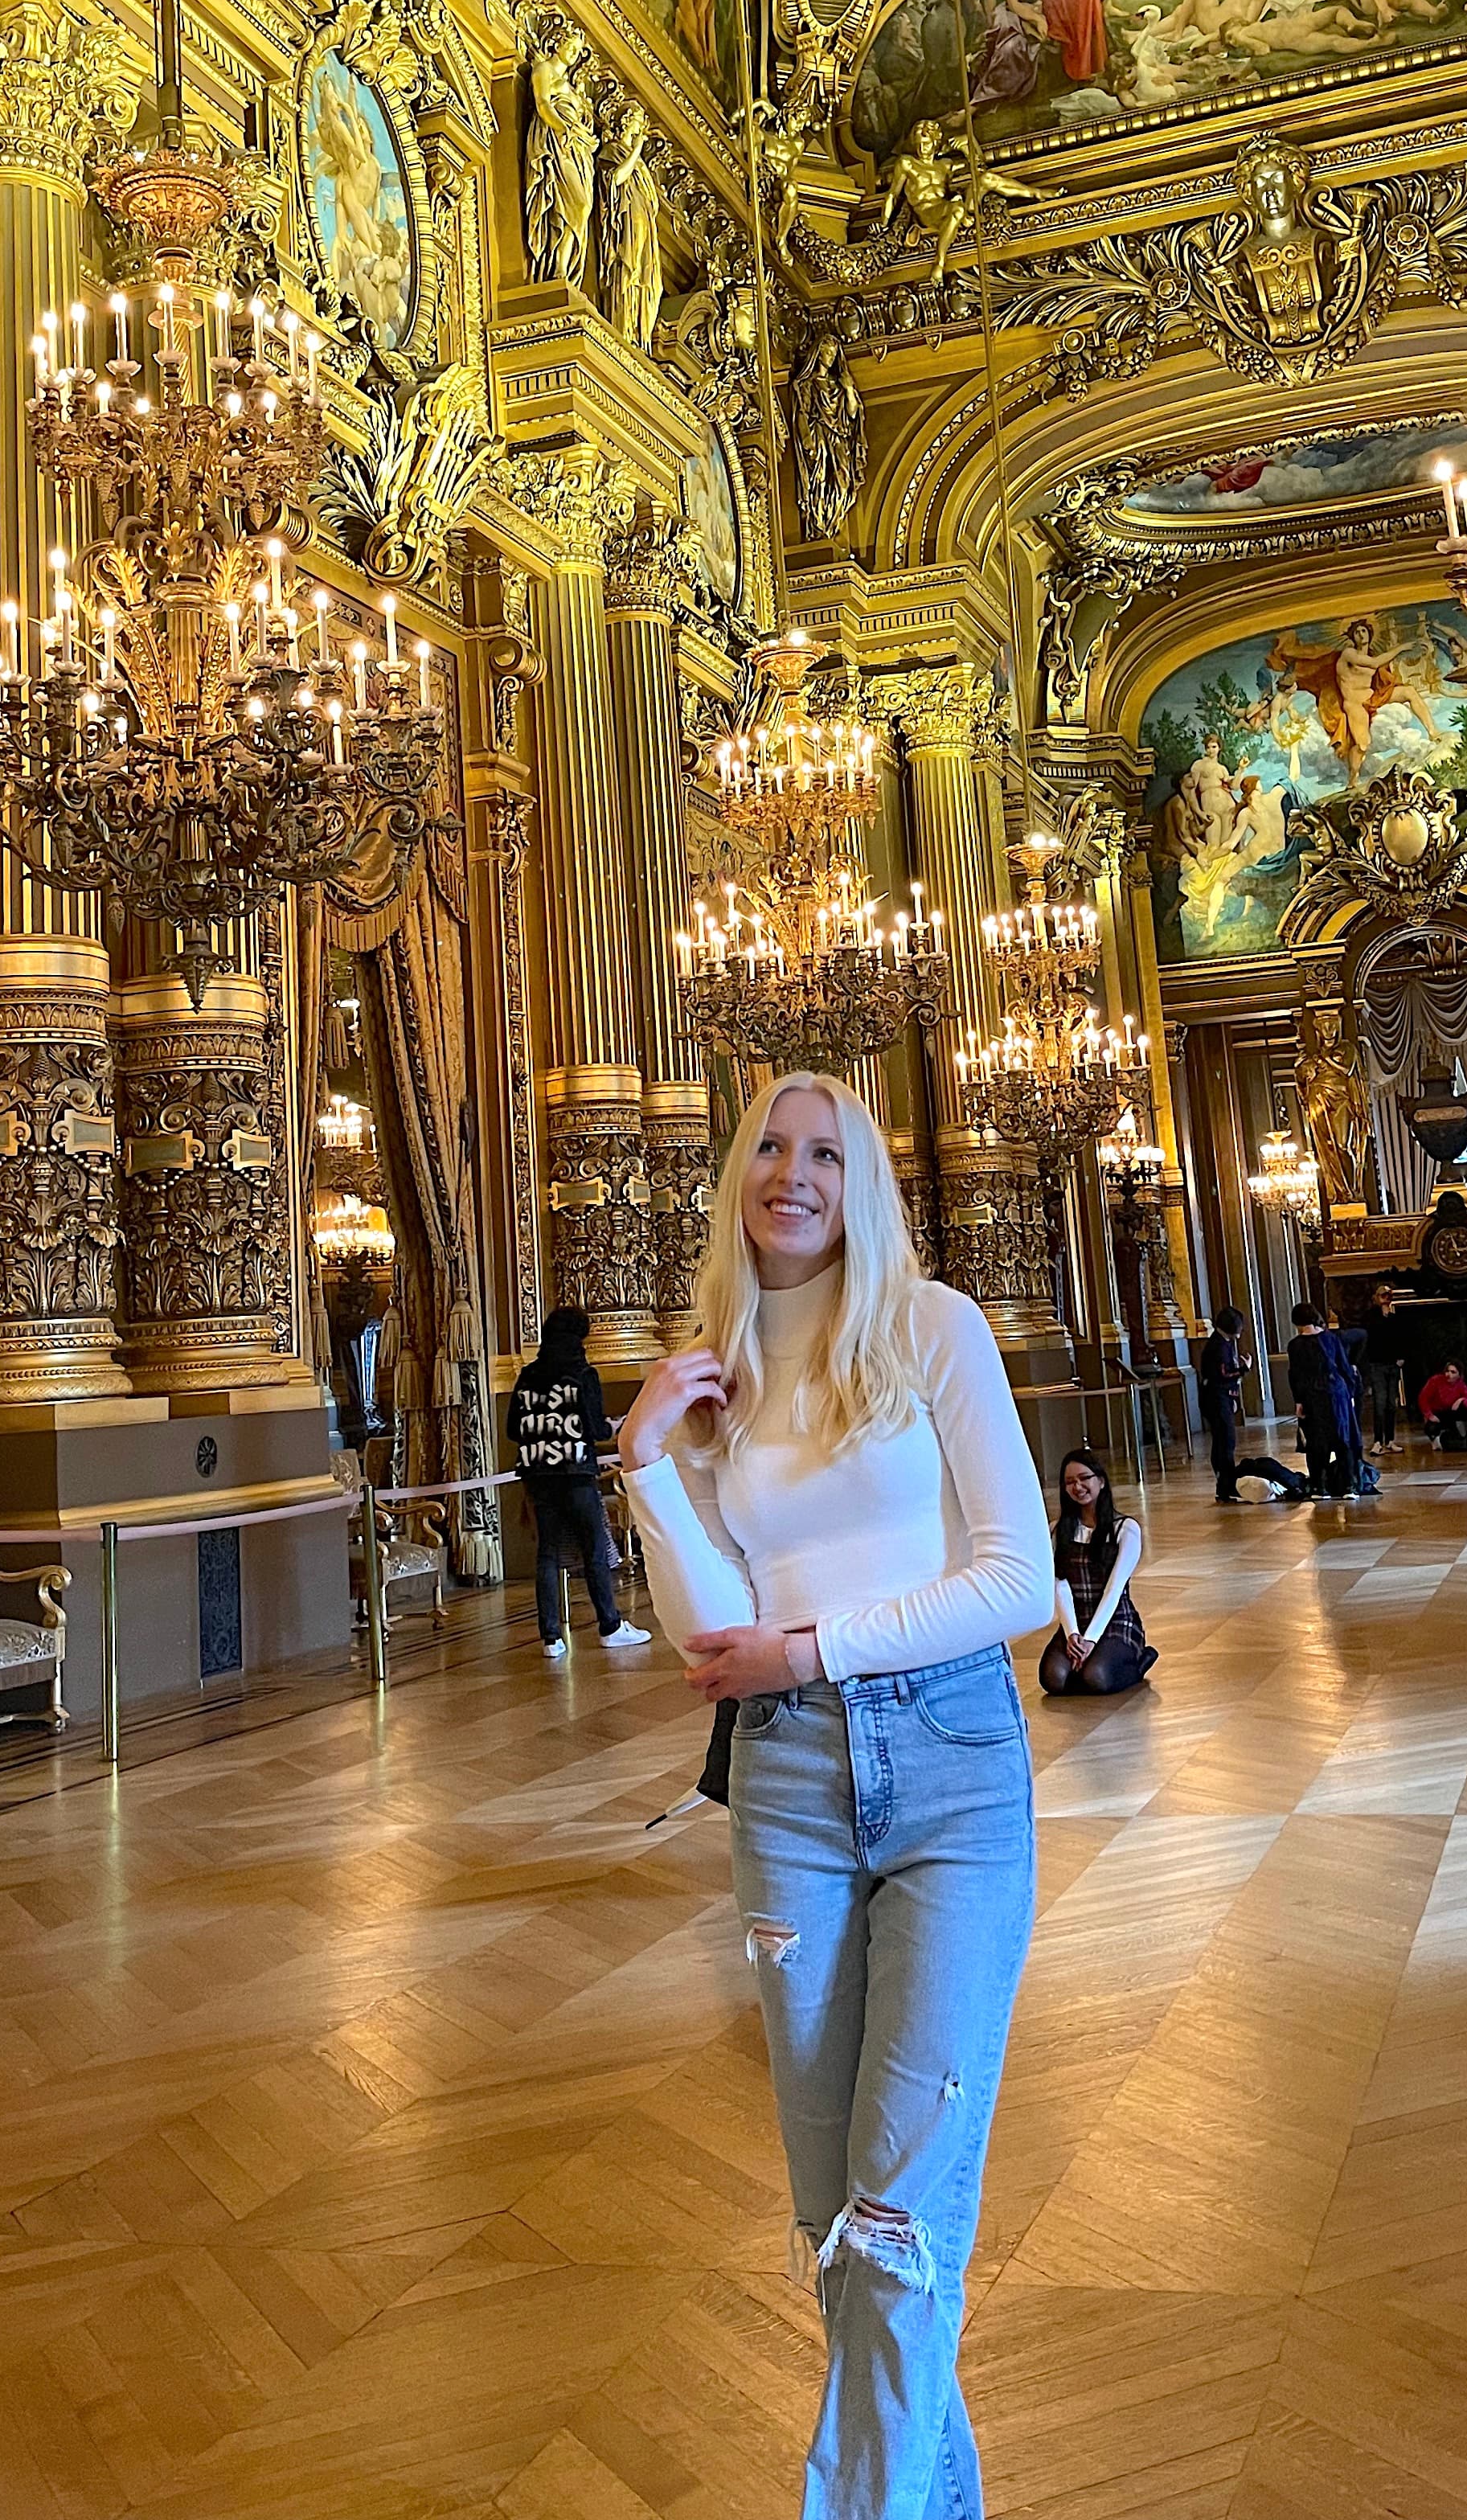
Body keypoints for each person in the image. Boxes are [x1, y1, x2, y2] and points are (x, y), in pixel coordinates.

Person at [616, 1072, 1051, 2520]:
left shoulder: (932, 1331)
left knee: (895, 2215)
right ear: (737, 1175)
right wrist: (644, 1467)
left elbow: (1019, 1578)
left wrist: (812, 1645)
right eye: (768, 1149)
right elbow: (706, 1637)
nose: (791, 1174)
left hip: (948, 1766)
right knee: (836, 2224)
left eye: (824, 1152)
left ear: (861, 1183)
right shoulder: (713, 1373)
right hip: (789, 1782)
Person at [506, 1307, 652, 1657]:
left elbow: (513, 1428)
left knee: (547, 1554)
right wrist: (612, 1427)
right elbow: (594, 1428)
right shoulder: (583, 1374)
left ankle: (551, 1638)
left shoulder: (528, 1375)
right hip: (575, 1473)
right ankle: (610, 1625)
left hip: (538, 1476)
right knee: (594, 1550)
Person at [1040, 1449, 1157, 1696]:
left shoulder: (1125, 1529)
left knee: (1097, 1677)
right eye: (1070, 1482)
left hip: (1115, 1620)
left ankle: (1140, 1660)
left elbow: (1114, 1589)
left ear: (1101, 1481)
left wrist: (1091, 1639)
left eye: (1084, 1478)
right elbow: (1059, 1583)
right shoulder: (1057, 1531)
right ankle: (1084, 1664)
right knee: (1052, 1678)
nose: (1078, 1486)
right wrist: (1073, 1634)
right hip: (1076, 1621)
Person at [1196, 1301, 1310, 1502]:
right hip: (1216, 1398)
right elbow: (1222, 1375)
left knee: (1225, 1442)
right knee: (1225, 1443)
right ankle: (1225, 1484)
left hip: (1220, 1397)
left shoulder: (1223, 1342)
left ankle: (1226, 1482)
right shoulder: (1218, 1345)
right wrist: (1244, 1368)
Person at [1287, 1302, 1366, 1499]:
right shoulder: (1331, 1338)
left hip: (1312, 1396)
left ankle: (1318, 1488)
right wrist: (1351, 1392)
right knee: (1343, 1439)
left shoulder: (1295, 1345)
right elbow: (1344, 1366)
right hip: (1336, 1393)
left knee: (1316, 1442)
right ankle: (1349, 1486)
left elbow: (1295, 1375)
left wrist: (1298, 1401)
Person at [1361, 1283, 1409, 1461]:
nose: (1386, 1298)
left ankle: (1390, 1440)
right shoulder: (1371, 1318)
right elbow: (1372, 1338)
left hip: (1392, 1364)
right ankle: (1377, 1441)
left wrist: (1401, 1356)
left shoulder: (1396, 1317)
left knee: (1391, 1404)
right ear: (1376, 1297)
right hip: (1377, 1365)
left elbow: (1401, 1338)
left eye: (1388, 1295)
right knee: (1379, 1404)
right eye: (1383, 1295)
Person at [1418, 1358, 1467, 1453]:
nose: (1449, 1374)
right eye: (1447, 1371)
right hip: (1438, 1413)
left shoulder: (1460, 1384)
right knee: (1431, 1428)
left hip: (1451, 1413)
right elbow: (1423, 1398)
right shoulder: (1436, 1381)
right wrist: (1429, 1415)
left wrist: (1462, 1400)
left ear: (1459, 1375)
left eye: (1453, 1372)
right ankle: (1435, 1440)